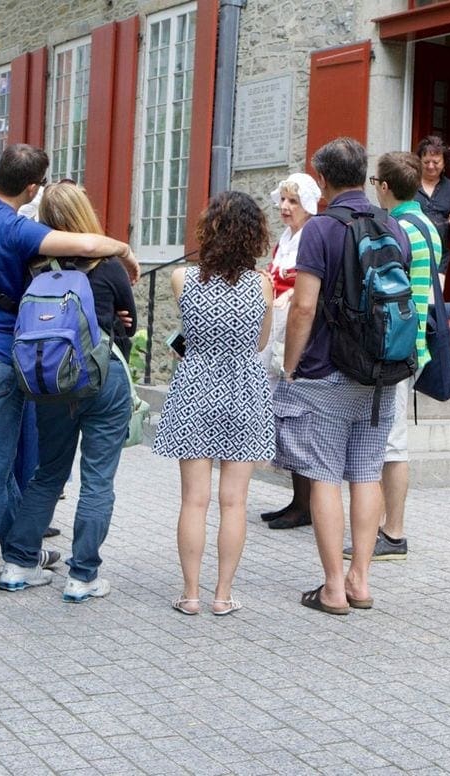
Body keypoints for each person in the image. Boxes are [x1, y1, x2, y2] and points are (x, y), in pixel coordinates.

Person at [0, 143, 139, 589]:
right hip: (97, 378)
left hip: (48, 378)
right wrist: (124, 256)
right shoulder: (100, 261)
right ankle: (83, 576)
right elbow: (127, 325)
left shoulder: (34, 264)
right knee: (95, 478)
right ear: (30, 187)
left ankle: (18, 565)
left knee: (44, 473)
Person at [274, 136, 411, 615]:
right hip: (379, 373)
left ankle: (332, 587)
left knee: (326, 476)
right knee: (367, 473)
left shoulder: (321, 230)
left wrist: (289, 368)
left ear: (325, 180)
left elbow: (303, 306)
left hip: (326, 371)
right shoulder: (391, 224)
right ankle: (361, 580)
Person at [152, 191, 274, 616]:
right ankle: (223, 595)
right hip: (243, 389)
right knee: (234, 501)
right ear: (254, 235)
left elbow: (184, 340)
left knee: (194, 501)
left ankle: (190, 594)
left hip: (194, 388)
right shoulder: (262, 284)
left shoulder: (182, 278)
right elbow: (259, 342)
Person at [342, 151, 440, 561]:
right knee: (391, 442)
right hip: (417, 341)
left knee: (392, 446)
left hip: (397, 344)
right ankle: (385, 527)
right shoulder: (428, 225)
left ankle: (392, 533)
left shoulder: (395, 227)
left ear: (384, 187)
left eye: (373, 182)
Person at [257, 172, 322, 531]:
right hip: (279, 327)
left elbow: (305, 285)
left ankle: (306, 504)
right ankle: (298, 500)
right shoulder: (288, 237)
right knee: (284, 416)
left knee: (298, 419)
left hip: (297, 333)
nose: (284, 207)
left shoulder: (311, 236)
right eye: (283, 200)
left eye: (292, 201)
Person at [414, 135, 450, 286]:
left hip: (439, 256)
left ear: (444, 163)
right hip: (413, 254)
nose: (431, 166)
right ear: (419, 162)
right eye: (426, 162)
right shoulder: (410, 184)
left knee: (434, 304)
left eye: (436, 162)